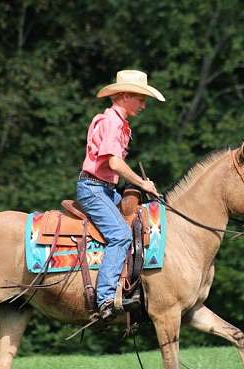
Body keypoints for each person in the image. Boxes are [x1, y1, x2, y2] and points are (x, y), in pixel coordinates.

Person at [76, 69, 165, 320]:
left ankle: (132, 284)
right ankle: (104, 298)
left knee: (139, 219)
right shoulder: (112, 123)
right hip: (94, 190)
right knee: (120, 235)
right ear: (124, 95)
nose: (144, 105)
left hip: (104, 189)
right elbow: (114, 163)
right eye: (140, 98)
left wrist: (136, 185)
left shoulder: (120, 124)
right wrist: (142, 184)